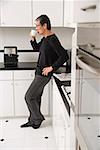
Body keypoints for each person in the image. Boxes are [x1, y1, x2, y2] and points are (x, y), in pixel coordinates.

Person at [20, 14, 68, 129]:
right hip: (39, 72)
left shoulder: (52, 39)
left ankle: (38, 118)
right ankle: (33, 121)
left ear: (45, 25)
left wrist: (52, 67)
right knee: (35, 97)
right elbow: (37, 48)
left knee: (28, 96)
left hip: (43, 75)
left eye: (37, 26)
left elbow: (64, 56)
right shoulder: (45, 39)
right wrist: (33, 39)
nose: (36, 29)